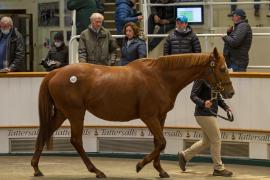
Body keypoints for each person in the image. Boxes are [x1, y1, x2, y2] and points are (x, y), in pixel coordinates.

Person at [178, 79, 233, 177]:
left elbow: (218, 98)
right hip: (203, 114)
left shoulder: (214, 80)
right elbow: (193, 95)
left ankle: (184, 155)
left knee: (206, 141)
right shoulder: (201, 78)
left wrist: (226, 108)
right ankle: (218, 168)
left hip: (210, 114)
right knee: (216, 139)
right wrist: (203, 103)